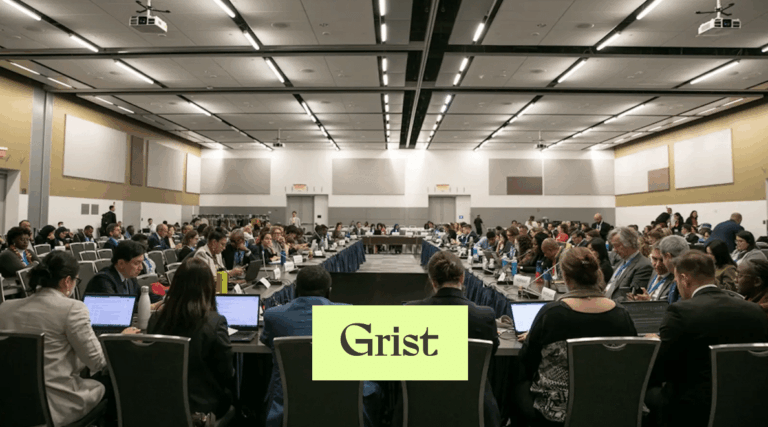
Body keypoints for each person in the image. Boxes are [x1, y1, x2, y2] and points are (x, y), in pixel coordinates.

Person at [0, 251, 139, 426]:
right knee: (112, 384)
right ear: (67, 281)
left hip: (9, 403)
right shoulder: (72, 309)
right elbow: (98, 362)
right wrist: (118, 337)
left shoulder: (5, 307)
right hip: (54, 404)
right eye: (76, 280)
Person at [645, 251, 768, 427]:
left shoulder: (680, 312)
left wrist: (655, 343)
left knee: (646, 386)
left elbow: (662, 368)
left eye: (676, 280)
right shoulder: (754, 311)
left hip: (692, 409)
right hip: (746, 403)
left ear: (684, 279)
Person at [517, 247, 637, 426]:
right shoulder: (621, 314)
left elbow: (527, 362)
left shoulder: (552, 314)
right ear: (597, 274)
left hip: (558, 412)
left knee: (516, 383)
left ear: (565, 277)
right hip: (609, 405)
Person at [261, 265, 381, 427]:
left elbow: (266, 340)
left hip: (287, 407)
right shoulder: (350, 314)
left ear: (295, 290)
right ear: (329, 292)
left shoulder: (273, 316)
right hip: (345, 407)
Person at [407, 251, 500, 427]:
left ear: (432, 281)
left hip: (420, 407)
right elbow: (491, 354)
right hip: (474, 407)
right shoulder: (484, 316)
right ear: (462, 278)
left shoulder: (410, 312)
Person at [148, 258, 233, 418]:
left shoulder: (156, 319)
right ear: (209, 287)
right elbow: (227, 372)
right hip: (203, 406)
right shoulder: (215, 322)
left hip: (162, 402)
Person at [85, 240, 161, 301]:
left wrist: (163, 297)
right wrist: (149, 306)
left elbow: (143, 296)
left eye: (142, 262)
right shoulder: (102, 281)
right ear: (121, 263)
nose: (141, 267)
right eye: (137, 263)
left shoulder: (130, 278)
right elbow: (117, 307)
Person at [604, 227, 653, 302]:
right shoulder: (621, 261)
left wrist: (606, 302)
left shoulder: (643, 266)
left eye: (617, 246)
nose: (614, 250)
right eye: (613, 246)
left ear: (629, 243)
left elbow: (632, 297)